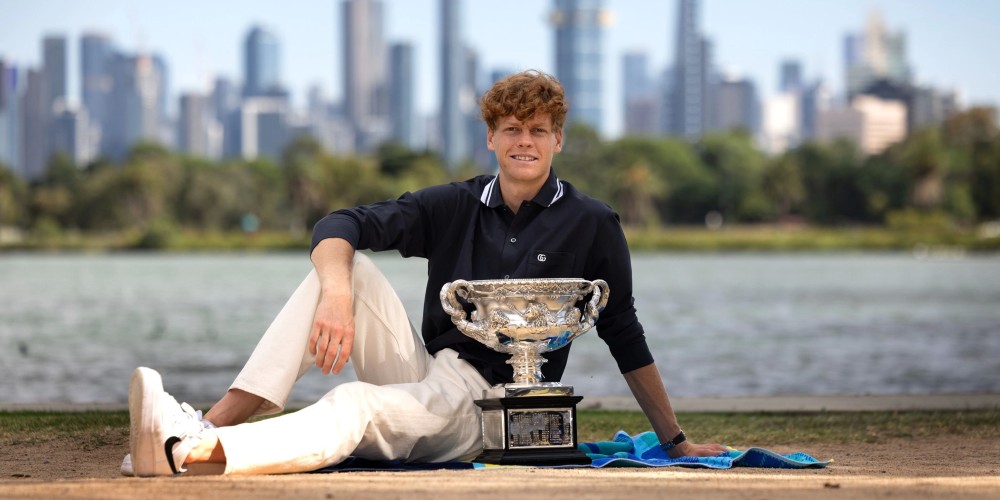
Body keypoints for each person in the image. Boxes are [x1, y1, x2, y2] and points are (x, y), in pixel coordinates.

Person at [127, 70, 727, 477]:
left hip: (490, 404)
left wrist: (676, 443)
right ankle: (208, 420)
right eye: (512, 129)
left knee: (356, 403)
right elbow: (341, 222)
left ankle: (192, 450)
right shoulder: (454, 203)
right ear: (491, 136)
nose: (525, 141)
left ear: (557, 140)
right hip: (431, 369)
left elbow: (622, 329)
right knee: (346, 268)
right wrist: (337, 294)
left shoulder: (593, 222)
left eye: (538, 130)